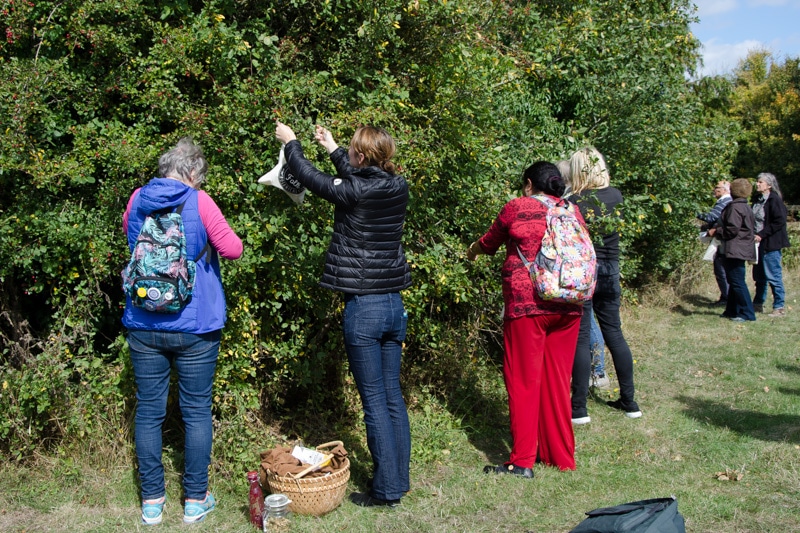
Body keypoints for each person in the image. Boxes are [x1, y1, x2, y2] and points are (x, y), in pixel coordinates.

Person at [274, 121, 412, 508]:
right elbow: (354, 180)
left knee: (373, 403)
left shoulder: (357, 190)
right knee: (391, 398)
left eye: (352, 149)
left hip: (364, 308)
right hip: (393, 305)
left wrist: (292, 144)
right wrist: (334, 147)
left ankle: (385, 491)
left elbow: (312, 179)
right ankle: (399, 481)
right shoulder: (395, 186)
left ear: (363, 156)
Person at [122, 138, 243, 525]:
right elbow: (233, 249)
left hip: (143, 321)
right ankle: (194, 499)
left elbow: (132, 243)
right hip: (196, 324)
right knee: (195, 411)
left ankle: (152, 502)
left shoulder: (137, 199)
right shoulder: (199, 201)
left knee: (149, 412)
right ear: (192, 172)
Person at [467, 161, 584, 474]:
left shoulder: (517, 207)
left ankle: (521, 462)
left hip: (527, 305)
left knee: (523, 382)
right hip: (569, 304)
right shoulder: (570, 209)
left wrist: (472, 250)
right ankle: (561, 458)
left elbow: (490, 243)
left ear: (530, 183)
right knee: (558, 382)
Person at [568, 147, 642, 424]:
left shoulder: (573, 201)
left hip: (584, 270)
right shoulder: (616, 196)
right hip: (611, 268)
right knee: (615, 333)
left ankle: (579, 409)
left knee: (582, 336)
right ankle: (630, 401)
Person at [558, 159, 608, 389]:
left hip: (576, 269)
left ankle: (597, 371)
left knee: (586, 322)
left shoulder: (570, 202)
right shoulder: (586, 198)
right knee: (589, 321)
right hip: (590, 266)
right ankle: (596, 370)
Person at [708, 178, 757, 322]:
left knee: (737, 281)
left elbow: (732, 230)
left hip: (735, 248)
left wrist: (716, 231)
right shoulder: (745, 206)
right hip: (741, 247)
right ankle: (732, 310)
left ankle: (747, 313)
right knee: (734, 279)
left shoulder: (735, 208)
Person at [751, 172, 790, 317]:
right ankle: (758, 303)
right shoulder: (757, 199)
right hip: (757, 243)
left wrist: (762, 234)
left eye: (760, 182)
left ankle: (779, 306)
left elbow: (779, 221)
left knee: (773, 275)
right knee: (759, 275)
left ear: (769, 185)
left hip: (770, 243)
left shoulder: (774, 200)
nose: (757, 184)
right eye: (757, 181)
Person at [697, 181, 732, 306]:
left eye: (717, 187)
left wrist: (693, 211)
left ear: (724, 190)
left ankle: (726, 297)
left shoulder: (725, 202)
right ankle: (725, 296)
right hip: (722, 239)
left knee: (721, 268)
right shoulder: (724, 202)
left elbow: (711, 217)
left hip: (722, 241)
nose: (714, 189)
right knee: (721, 268)